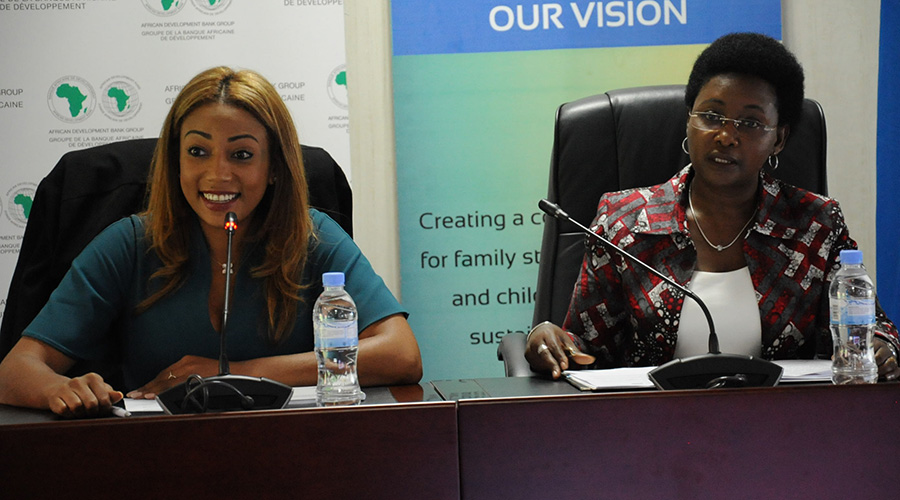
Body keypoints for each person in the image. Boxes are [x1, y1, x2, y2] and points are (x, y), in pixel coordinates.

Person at [0, 67, 422, 417]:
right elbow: (15, 370)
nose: (218, 174)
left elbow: (401, 354)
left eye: (241, 155)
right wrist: (64, 388)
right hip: (156, 460)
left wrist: (235, 373)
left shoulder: (310, 235)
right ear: (174, 160)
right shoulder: (128, 243)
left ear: (274, 166)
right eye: (198, 152)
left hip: (291, 455)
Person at [525, 32, 900, 381]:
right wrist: (548, 337)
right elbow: (585, 347)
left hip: (785, 427)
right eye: (712, 116)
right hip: (651, 428)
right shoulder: (624, 221)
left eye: (750, 123)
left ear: (779, 139)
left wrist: (882, 349)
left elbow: (872, 330)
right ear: (689, 121)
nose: (726, 136)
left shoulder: (814, 224)